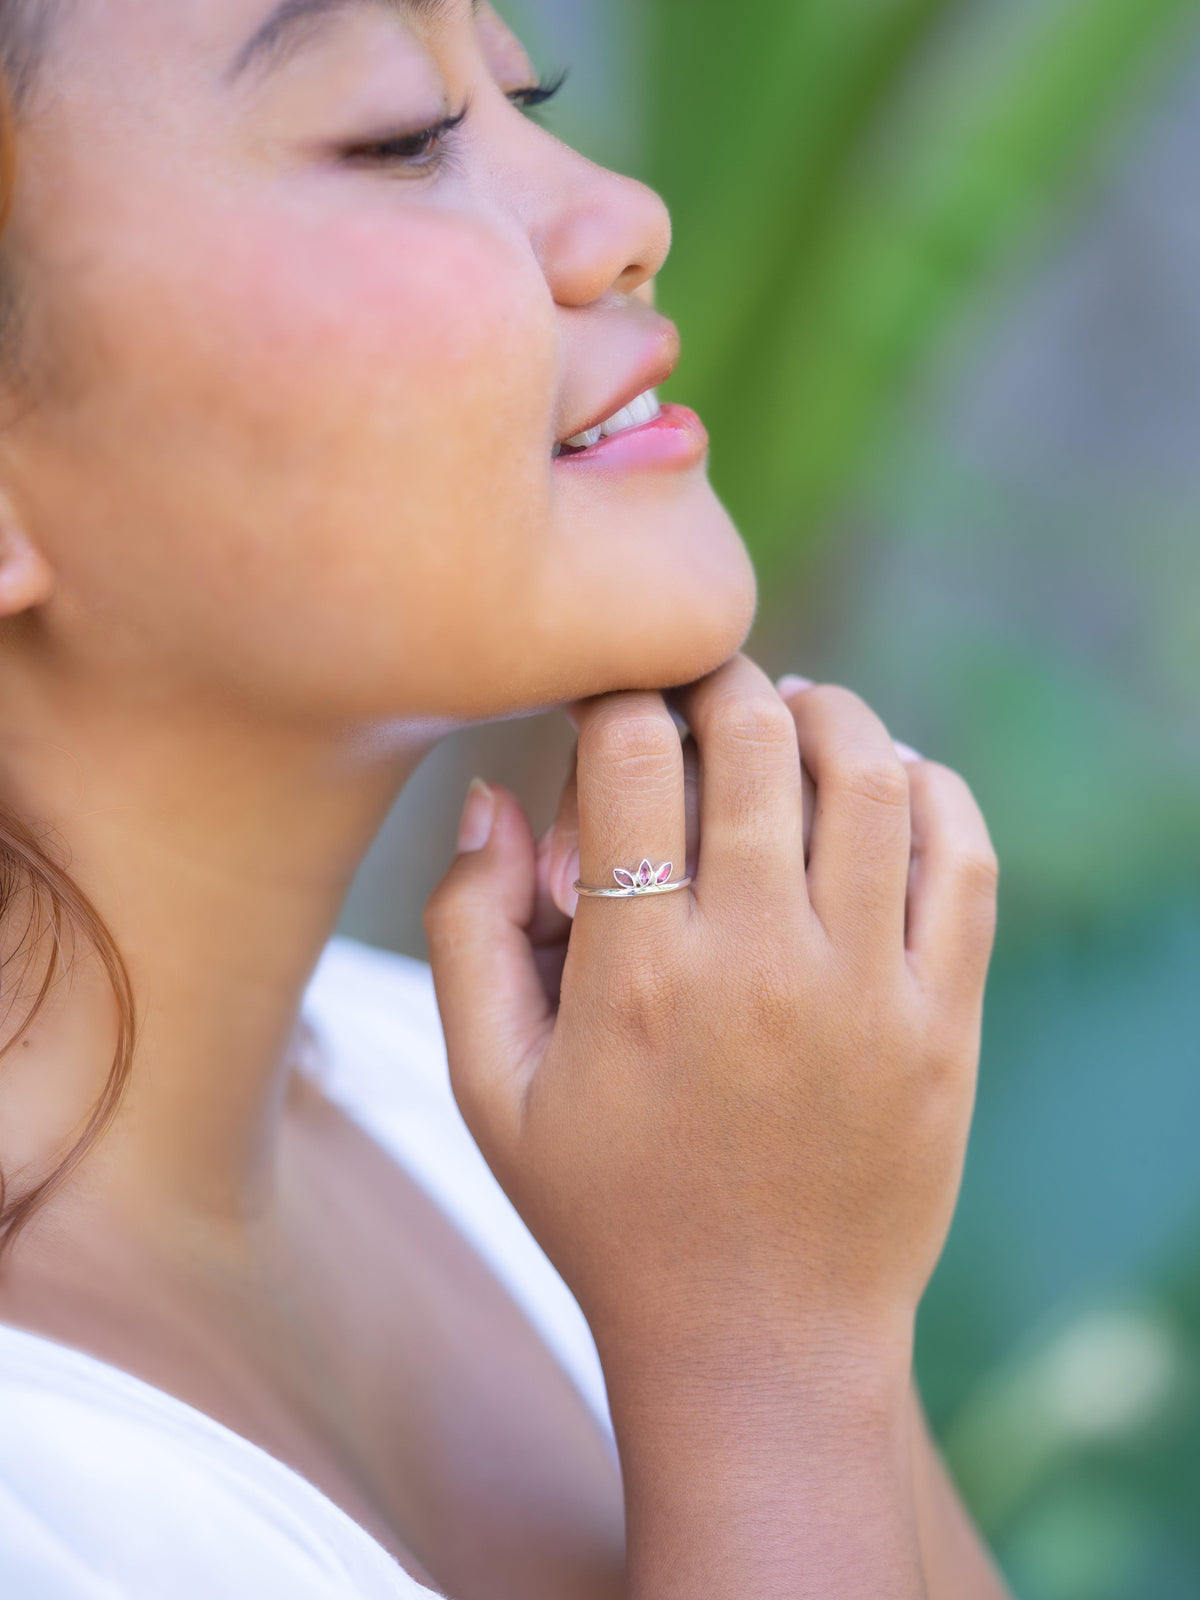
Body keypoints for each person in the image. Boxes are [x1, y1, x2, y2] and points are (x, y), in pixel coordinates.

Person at [0, 1, 1010, 1595]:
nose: (624, 216)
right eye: (400, 133)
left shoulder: (553, 1117)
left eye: (525, 87)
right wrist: (767, 1369)